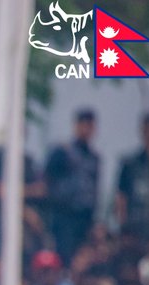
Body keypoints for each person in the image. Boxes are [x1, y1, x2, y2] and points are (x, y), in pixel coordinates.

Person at [44, 108, 99, 267]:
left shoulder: (94, 157)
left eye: (90, 126)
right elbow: (48, 180)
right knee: (64, 256)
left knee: (82, 258)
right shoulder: (63, 152)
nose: (86, 130)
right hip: (64, 215)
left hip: (85, 216)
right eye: (83, 125)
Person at [115, 113, 149, 241]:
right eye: (146, 131)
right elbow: (121, 197)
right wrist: (123, 226)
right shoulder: (130, 164)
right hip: (134, 228)